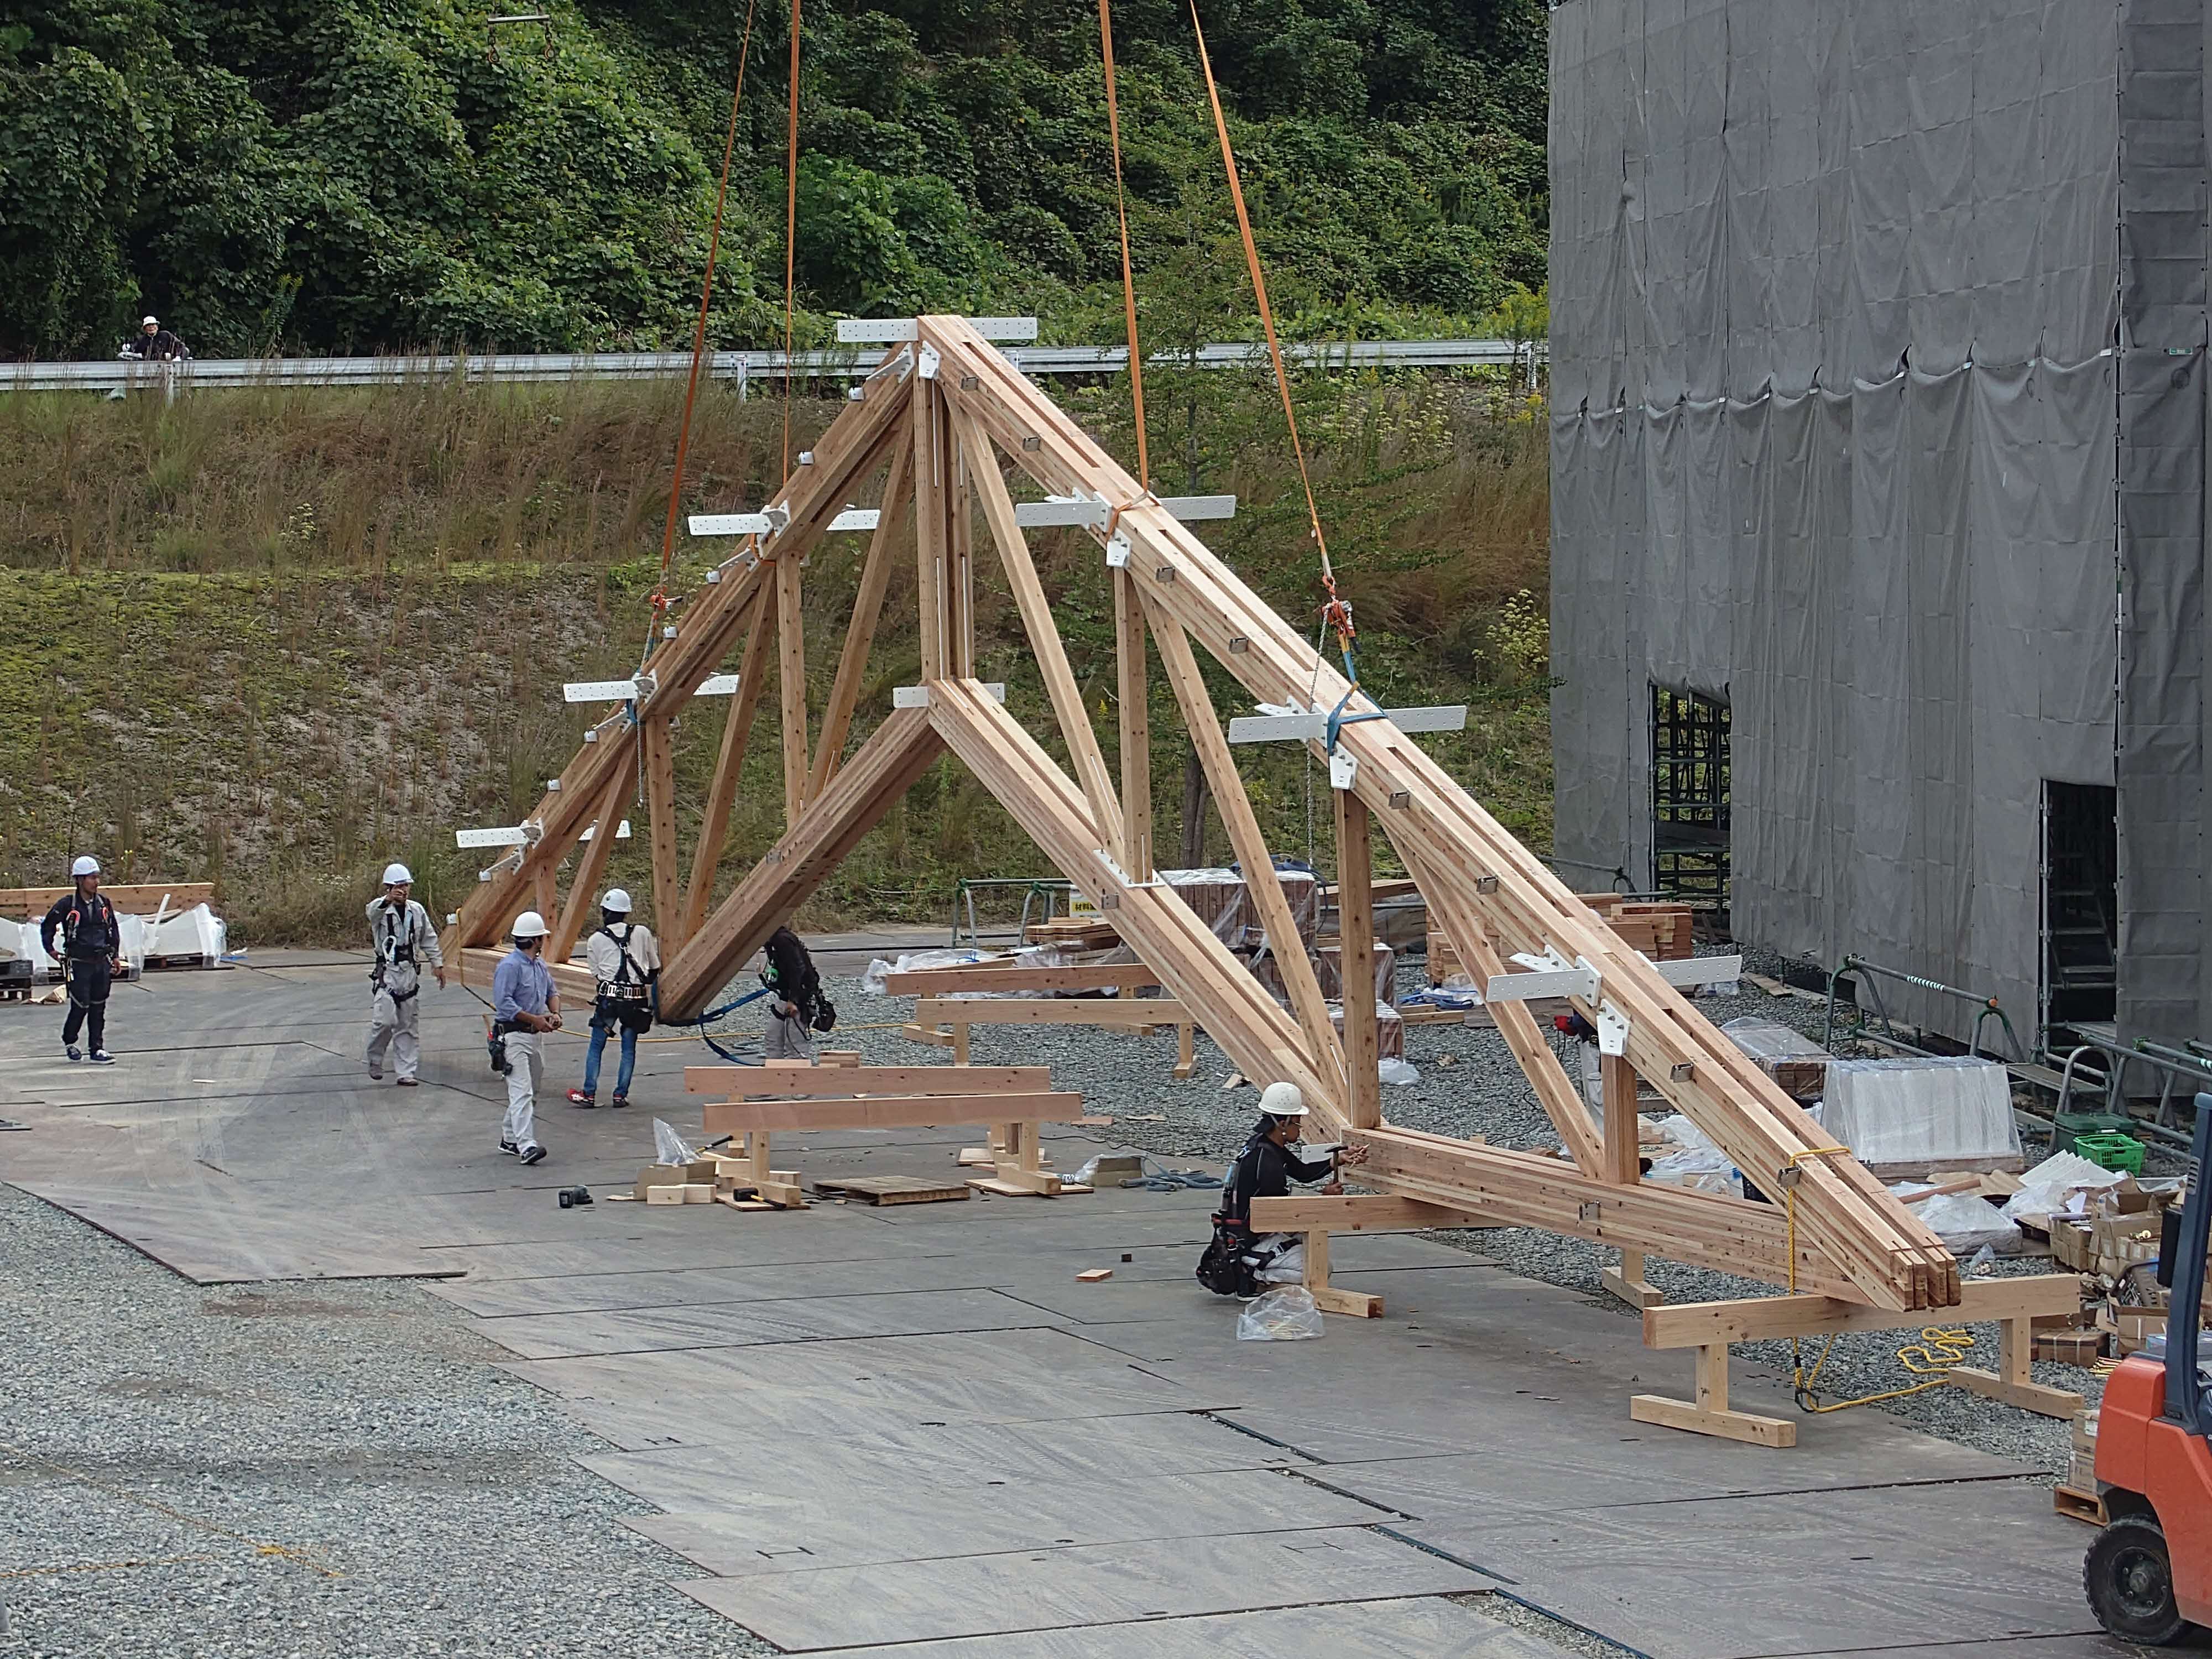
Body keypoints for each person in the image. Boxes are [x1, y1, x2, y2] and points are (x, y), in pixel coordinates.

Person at [1196, 1082, 1368, 1296]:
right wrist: (1324, 1199)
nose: (1300, 1128)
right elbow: (1284, 1217)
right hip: (1252, 1239)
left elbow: (1302, 1172)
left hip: (1251, 1231)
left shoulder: (1264, 1145)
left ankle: (1262, 1265)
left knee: (1309, 1246)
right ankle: (1252, 1275)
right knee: (1320, 1270)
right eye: (1297, 1123)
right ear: (1283, 1124)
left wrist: (1337, 1160)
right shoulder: (1268, 1164)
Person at [567, 888, 657, 1109]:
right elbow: (654, 969)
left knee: (596, 1046)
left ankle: (589, 1093)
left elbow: (597, 973)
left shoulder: (596, 939)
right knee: (628, 1048)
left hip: (609, 999)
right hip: (635, 1000)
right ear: (626, 912)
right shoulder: (643, 933)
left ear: (605, 912)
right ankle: (620, 1095)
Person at [364, 862, 445, 1086]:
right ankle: (375, 1059)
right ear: (389, 888)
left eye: (406, 886)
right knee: (385, 1021)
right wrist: (387, 900)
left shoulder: (416, 911)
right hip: (388, 973)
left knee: (408, 1026)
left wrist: (437, 964)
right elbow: (372, 913)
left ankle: (406, 1072)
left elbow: (429, 937)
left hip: (409, 972)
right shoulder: (379, 910)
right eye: (398, 886)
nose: (404, 890)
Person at [491, 910, 561, 1165]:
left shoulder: (539, 966)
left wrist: (554, 1014)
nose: (543, 941)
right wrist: (535, 1019)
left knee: (531, 1091)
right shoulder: (509, 967)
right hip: (513, 1037)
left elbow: (552, 992)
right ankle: (526, 1145)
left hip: (533, 1036)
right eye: (541, 938)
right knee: (522, 1090)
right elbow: (503, 1004)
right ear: (535, 940)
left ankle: (509, 1138)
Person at [39, 856, 122, 1064]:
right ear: (79, 880)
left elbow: (113, 931)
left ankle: (97, 1048)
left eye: (97, 877)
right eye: (92, 878)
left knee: (99, 1005)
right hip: (78, 963)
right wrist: (52, 951)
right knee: (80, 1005)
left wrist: (116, 956)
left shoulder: (104, 903)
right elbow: (48, 926)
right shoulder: (67, 904)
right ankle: (70, 1040)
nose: (96, 882)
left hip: (101, 962)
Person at [760, 925, 830, 1062]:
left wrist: (794, 1000)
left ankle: (798, 1075)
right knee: (773, 1038)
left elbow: (798, 970)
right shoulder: (774, 941)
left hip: (799, 998)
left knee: (795, 1045)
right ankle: (773, 1074)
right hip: (785, 997)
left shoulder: (782, 941)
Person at [122, 316, 189, 360]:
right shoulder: (142, 340)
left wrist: (178, 357)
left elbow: (181, 346)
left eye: (153, 325)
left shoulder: (166, 335)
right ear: (145, 329)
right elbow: (134, 349)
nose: (151, 327)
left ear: (157, 327)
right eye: (148, 325)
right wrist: (128, 348)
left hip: (169, 365)